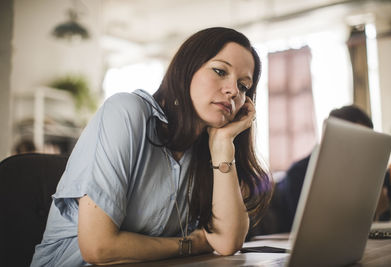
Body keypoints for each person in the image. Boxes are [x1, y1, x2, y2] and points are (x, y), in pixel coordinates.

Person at [30, 27, 272, 266]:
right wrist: (191, 244)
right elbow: (98, 248)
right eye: (220, 71)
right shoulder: (126, 112)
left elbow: (228, 242)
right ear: (186, 70)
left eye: (243, 86)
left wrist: (222, 145)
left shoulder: (205, 149)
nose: (232, 91)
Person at [248, 105, 390, 236]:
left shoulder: (364, 175)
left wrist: (376, 211)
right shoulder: (299, 174)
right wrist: (366, 213)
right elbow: (310, 229)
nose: (362, 150)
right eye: (358, 140)